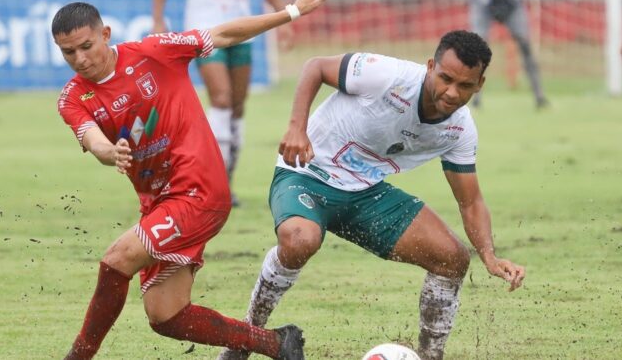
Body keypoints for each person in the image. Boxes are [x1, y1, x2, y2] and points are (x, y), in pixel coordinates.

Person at [54, 0, 330, 359]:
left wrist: (291, 11)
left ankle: (78, 356)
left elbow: (223, 35)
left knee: (117, 259)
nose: (81, 59)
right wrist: (108, 150)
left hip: (199, 189)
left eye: (86, 46)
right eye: (69, 53)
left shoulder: (153, 52)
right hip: (159, 203)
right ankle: (277, 344)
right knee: (165, 314)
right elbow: (91, 138)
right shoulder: (72, 97)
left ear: (105, 33)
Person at [218, 30, 526, 360]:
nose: (452, 92)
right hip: (305, 173)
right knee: (299, 240)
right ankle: (243, 341)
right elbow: (315, 67)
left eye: (465, 86)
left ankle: (430, 356)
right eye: (445, 78)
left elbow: (471, 201)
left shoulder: (459, 130)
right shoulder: (387, 74)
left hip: (364, 193)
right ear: (431, 66)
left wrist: (489, 256)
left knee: (453, 259)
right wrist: (297, 128)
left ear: (479, 85)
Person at [152, 0, 290, 206]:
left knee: (238, 106)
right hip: (205, 32)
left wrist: (282, 15)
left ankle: (227, 181)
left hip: (242, 31)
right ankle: (215, 185)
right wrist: (158, 19)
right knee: (222, 99)